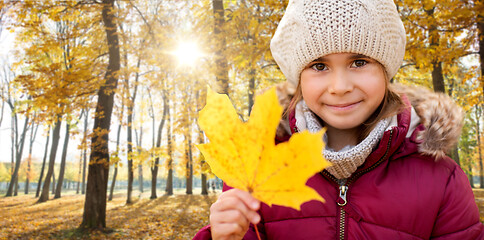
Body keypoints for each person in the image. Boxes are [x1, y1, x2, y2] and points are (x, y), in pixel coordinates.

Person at [193, 0, 484, 239]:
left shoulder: (441, 180)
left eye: (359, 62)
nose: (340, 86)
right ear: (299, 81)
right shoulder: (257, 167)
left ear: (386, 71)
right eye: (319, 66)